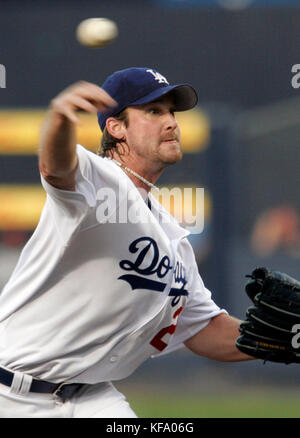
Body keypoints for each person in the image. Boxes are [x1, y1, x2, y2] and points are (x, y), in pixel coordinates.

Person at [0, 67, 254, 418]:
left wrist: (285, 337)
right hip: (12, 393)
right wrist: (59, 118)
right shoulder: (98, 180)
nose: (170, 122)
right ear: (116, 128)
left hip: (91, 397)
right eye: (153, 111)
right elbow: (55, 166)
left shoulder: (172, 237)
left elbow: (205, 329)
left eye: (171, 112)